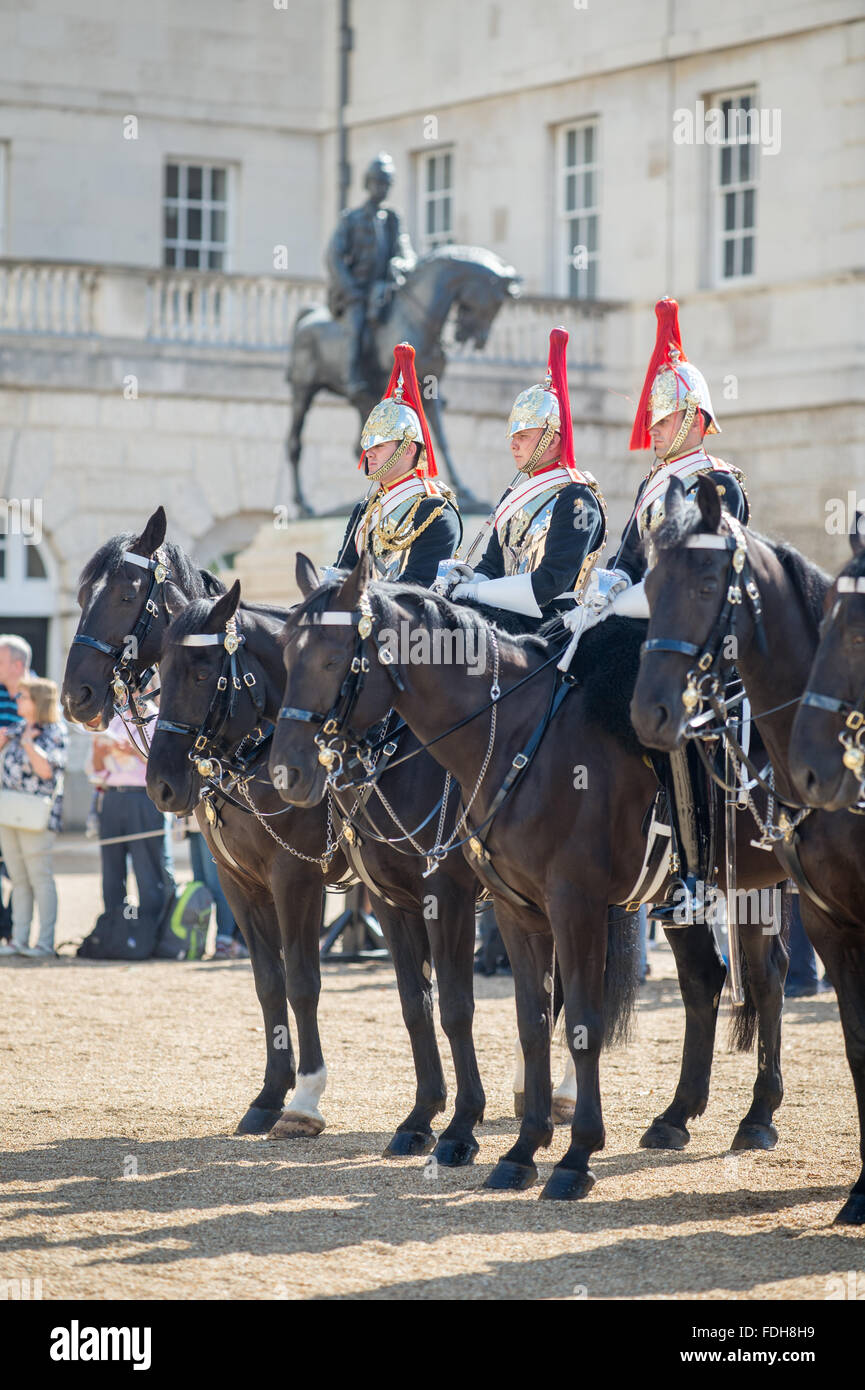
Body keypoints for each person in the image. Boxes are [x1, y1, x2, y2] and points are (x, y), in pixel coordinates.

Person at [573, 297, 749, 925]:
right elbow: (625, 553)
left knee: (673, 722)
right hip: (643, 630)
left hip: (697, 640)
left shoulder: (718, 482)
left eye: (668, 415)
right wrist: (602, 588)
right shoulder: (653, 484)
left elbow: (705, 568)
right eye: (655, 415)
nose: (657, 426)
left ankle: (694, 871)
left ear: (696, 418)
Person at [438, 325, 607, 620]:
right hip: (504, 619)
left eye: (524, 436)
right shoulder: (516, 496)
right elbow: (491, 565)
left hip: (551, 625)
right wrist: (466, 582)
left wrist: (477, 593)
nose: (513, 445)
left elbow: (552, 582)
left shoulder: (577, 499)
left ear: (553, 439)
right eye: (513, 436)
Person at [333, 339, 461, 585]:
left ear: (408, 449)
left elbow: (418, 588)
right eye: (368, 445)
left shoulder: (434, 509)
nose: (368, 453)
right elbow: (343, 575)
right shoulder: (364, 511)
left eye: (379, 445)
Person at [326, 152, 416, 403]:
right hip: (357, 292)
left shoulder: (393, 219)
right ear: (367, 183)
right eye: (377, 182)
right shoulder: (351, 219)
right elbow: (333, 257)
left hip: (384, 292)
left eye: (386, 183)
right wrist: (350, 288)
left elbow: (407, 251)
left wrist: (402, 263)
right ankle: (352, 377)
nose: (382, 188)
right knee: (356, 327)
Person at [87, 710, 175, 931]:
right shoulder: (111, 719)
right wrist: (99, 751)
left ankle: (151, 929)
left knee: (147, 867)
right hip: (112, 795)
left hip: (144, 797)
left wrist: (132, 750)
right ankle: (116, 926)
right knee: (112, 868)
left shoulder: (155, 718)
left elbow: (162, 763)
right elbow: (97, 769)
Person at [0, 677, 67, 958]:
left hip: (37, 815)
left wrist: (28, 744)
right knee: (18, 878)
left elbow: (47, 771)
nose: (17, 701)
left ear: (38, 701)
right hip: (8, 812)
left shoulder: (54, 732)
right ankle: (19, 938)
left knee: (40, 877)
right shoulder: (14, 730)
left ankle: (45, 943)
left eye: (23, 697)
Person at [186, 822, 248, 959]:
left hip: (210, 824)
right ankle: (199, 940)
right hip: (192, 823)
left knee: (217, 886)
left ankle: (225, 939)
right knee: (200, 887)